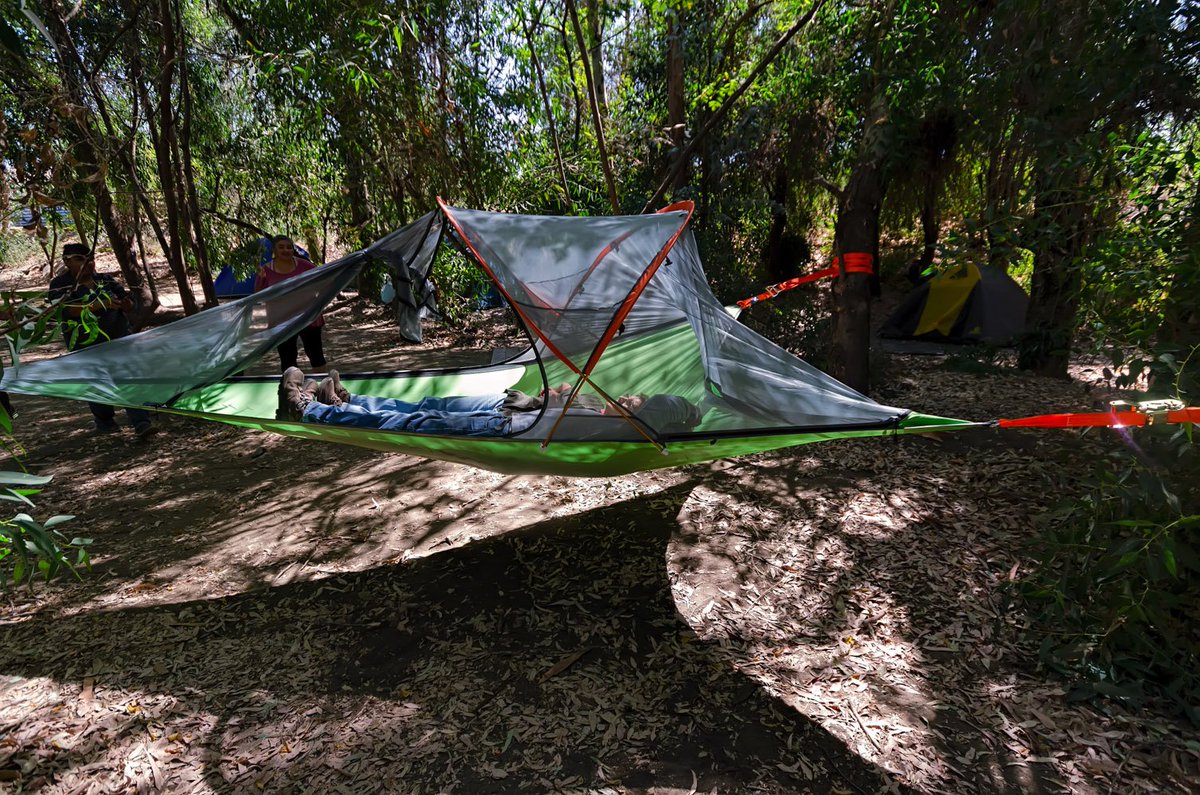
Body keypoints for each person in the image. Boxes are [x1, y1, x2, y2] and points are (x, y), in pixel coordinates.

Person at [278, 368, 703, 437]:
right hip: (514, 408)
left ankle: (309, 410)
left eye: (637, 402)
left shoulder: (618, 428)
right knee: (429, 404)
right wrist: (548, 397)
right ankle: (348, 401)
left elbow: (671, 411)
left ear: (641, 416)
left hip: (506, 427)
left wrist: (692, 411)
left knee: (417, 422)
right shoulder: (601, 410)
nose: (630, 397)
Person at [48, 242, 155, 437]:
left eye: (90, 258)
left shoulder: (106, 280)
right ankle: (105, 420)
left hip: (118, 339)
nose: (88, 264)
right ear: (67, 262)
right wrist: (99, 305)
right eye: (80, 259)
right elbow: (67, 310)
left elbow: (129, 304)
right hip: (85, 343)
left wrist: (125, 303)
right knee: (96, 382)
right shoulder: (60, 285)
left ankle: (141, 422)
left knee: (127, 377)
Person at [255, 235, 326, 372]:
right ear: (274, 250)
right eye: (281, 247)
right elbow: (259, 296)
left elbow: (322, 278)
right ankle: (292, 390)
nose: (286, 250)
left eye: (289, 247)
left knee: (316, 355)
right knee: (288, 359)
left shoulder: (304, 265)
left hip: (308, 316)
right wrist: (261, 279)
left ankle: (323, 387)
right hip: (282, 320)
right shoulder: (266, 270)